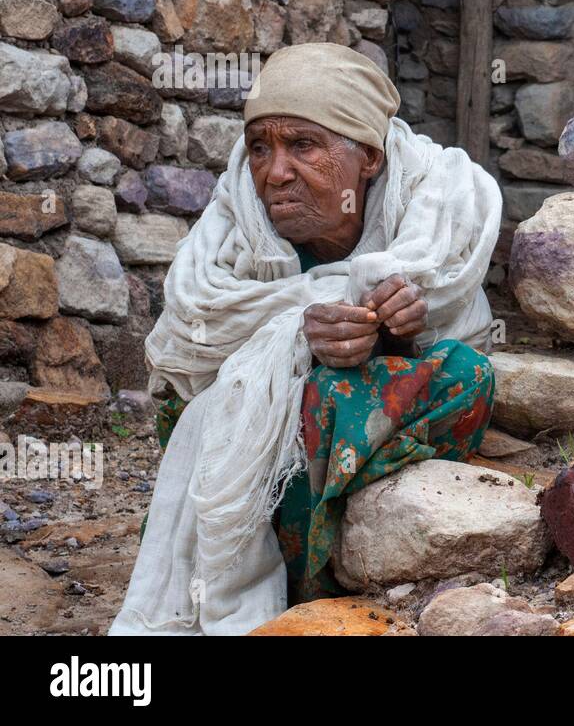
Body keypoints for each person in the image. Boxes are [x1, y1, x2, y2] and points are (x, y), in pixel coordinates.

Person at [109, 43, 502, 635]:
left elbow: (456, 315)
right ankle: (285, 574)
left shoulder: (436, 208)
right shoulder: (234, 232)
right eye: (261, 147)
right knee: (221, 405)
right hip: (263, 449)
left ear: (367, 157)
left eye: (302, 145)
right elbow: (188, 351)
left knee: (462, 375)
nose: (274, 172)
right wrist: (296, 336)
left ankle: (322, 565)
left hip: (330, 427)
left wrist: (396, 333)